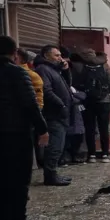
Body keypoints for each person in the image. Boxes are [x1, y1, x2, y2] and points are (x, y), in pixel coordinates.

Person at [0, 36, 49, 220]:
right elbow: (30, 104)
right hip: (15, 133)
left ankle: (3, 218)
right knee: (19, 177)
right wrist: (42, 128)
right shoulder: (17, 73)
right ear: (14, 54)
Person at [34, 46, 72, 184]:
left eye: (60, 55)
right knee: (55, 146)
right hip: (53, 114)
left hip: (61, 113)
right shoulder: (43, 69)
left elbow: (68, 85)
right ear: (46, 56)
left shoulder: (54, 69)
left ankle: (53, 174)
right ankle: (50, 176)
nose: (60, 58)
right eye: (56, 55)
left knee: (59, 145)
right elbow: (46, 91)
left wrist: (66, 70)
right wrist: (61, 105)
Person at [77, 48, 110, 161]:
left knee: (89, 128)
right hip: (104, 101)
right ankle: (105, 154)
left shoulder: (80, 66)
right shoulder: (104, 65)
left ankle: (91, 155)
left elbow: (76, 83)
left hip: (87, 101)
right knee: (103, 128)